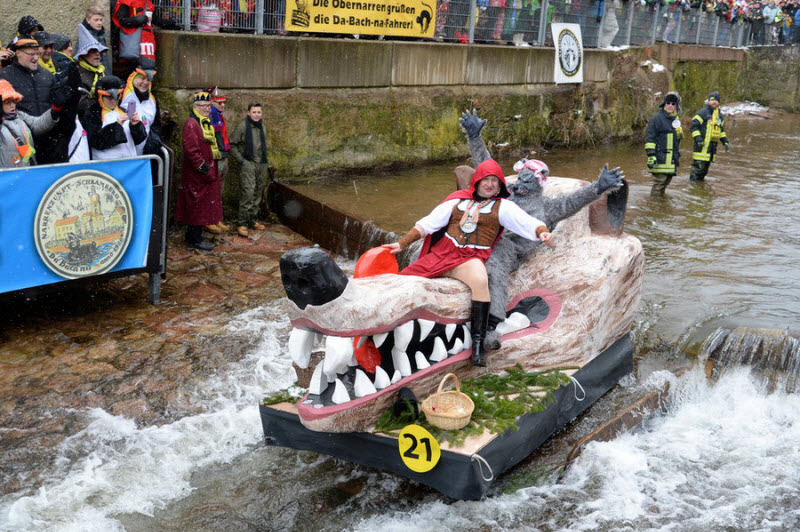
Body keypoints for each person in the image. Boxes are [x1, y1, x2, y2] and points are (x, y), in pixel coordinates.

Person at [385, 157, 554, 366]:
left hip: (470, 258)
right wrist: (402, 243)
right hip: (442, 254)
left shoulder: (503, 207)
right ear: (477, 180)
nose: (490, 184)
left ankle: (477, 345)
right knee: (402, 282)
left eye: (494, 180)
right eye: (486, 179)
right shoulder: (457, 201)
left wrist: (542, 233)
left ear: (500, 184)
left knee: (481, 281)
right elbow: (428, 223)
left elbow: (528, 222)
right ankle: (384, 333)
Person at [174, 91, 225, 251]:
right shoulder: (191, 124)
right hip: (198, 174)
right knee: (196, 206)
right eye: (203, 106)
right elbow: (191, 151)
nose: (206, 109)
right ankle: (193, 239)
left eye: (208, 106)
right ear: (195, 106)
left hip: (205, 173)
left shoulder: (205, 121)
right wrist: (204, 167)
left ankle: (196, 234)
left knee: (202, 206)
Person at [230, 102, 270, 238]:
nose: (257, 115)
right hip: (249, 163)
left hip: (261, 164)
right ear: (248, 113)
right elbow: (232, 145)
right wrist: (242, 161)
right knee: (248, 192)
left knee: (258, 191)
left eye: (259, 112)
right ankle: (242, 223)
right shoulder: (242, 127)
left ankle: (252, 220)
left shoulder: (262, 127)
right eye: (254, 112)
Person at [81, 75, 146, 160]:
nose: (113, 100)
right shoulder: (92, 113)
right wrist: (116, 126)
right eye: (109, 97)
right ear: (100, 96)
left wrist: (136, 125)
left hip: (129, 165)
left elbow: (139, 140)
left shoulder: (124, 110)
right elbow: (96, 141)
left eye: (117, 96)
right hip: (105, 167)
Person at [0, 79, 59, 167]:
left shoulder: (20, 115)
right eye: (7, 102)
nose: (13, 105)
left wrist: (55, 109)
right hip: (7, 178)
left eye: (14, 101)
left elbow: (38, 124)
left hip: (28, 173)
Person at [0, 38, 54, 117]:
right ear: (18, 53)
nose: (35, 58)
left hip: (47, 127)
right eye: (31, 54)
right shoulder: (4, 76)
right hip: (17, 127)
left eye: (37, 54)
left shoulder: (47, 75)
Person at [121, 58, 163, 155]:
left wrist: (153, 142)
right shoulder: (122, 95)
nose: (145, 83)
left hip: (145, 156)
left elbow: (156, 126)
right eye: (142, 78)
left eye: (148, 80)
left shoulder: (152, 100)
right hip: (124, 155)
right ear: (133, 76)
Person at [645, 91, 683, 196]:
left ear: (676, 106)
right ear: (664, 104)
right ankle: (653, 205)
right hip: (660, 158)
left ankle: (660, 205)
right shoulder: (656, 119)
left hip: (671, 160)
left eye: (673, 103)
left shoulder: (676, 120)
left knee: (665, 184)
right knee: (659, 184)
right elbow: (650, 138)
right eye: (668, 103)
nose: (670, 106)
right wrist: (651, 155)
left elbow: (676, 142)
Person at [689, 91, 729, 182]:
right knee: (696, 173)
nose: (714, 102)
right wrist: (698, 139)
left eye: (716, 100)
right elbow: (693, 126)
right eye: (712, 100)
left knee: (703, 173)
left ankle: (699, 191)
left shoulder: (719, 116)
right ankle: (692, 189)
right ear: (708, 102)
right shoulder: (703, 113)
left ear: (719, 102)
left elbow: (721, 131)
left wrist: (725, 141)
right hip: (701, 148)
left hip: (711, 150)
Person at [112, 0, 157, 80]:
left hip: (146, 46)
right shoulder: (126, 2)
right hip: (132, 45)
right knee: (134, 76)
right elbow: (122, 21)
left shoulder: (148, 3)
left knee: (147, 75)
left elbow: (155, 20)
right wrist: (138, 20)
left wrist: (170, 23)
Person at [76, 5, 112, 73]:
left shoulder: (101, 35)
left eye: (101, 20)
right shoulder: (84, 38)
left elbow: (105, 60)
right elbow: (80, 60)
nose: (99, 23)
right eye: (96, 20)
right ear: (88, 20)